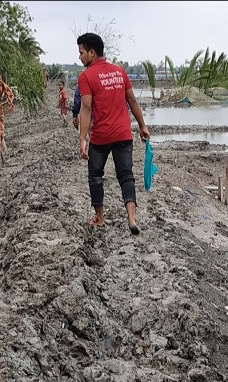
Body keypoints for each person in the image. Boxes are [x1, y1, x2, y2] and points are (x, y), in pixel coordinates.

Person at [76, 32, 150, 235]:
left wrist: (82, 139)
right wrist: (142, 126)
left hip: (101, 136)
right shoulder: (120, 72)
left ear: (92, 52)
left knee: (95, 175)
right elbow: (133, 101)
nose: (80, 57)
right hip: (123, 133)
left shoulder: (86, 76)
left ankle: (99, 218)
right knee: (126, 176)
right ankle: (132, 218)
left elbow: (86, 108)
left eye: (82, 52)